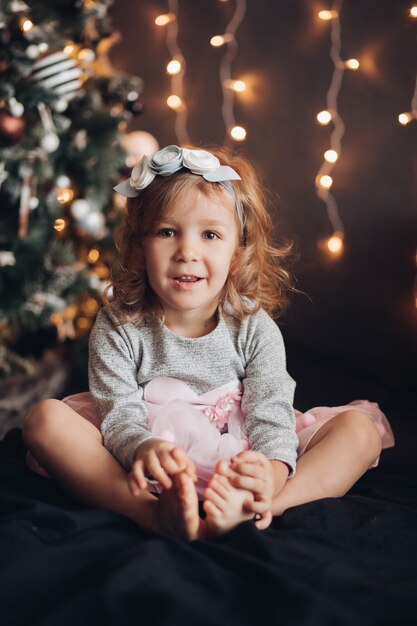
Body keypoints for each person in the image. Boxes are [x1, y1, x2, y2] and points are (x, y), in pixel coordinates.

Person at [23, 145, 394, 541]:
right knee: (44, 420)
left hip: (243, 452)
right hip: (153, 459)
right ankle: (148, 512)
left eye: (210, 234)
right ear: (140, 245)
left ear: (237, 253)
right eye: (167, 232)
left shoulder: (253, 326)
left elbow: (270, 409)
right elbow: (118, 413)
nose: (187, 252)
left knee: (359, 431)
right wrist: (142, 448)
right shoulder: (119, 324)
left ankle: (260, 507)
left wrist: (269, 470)